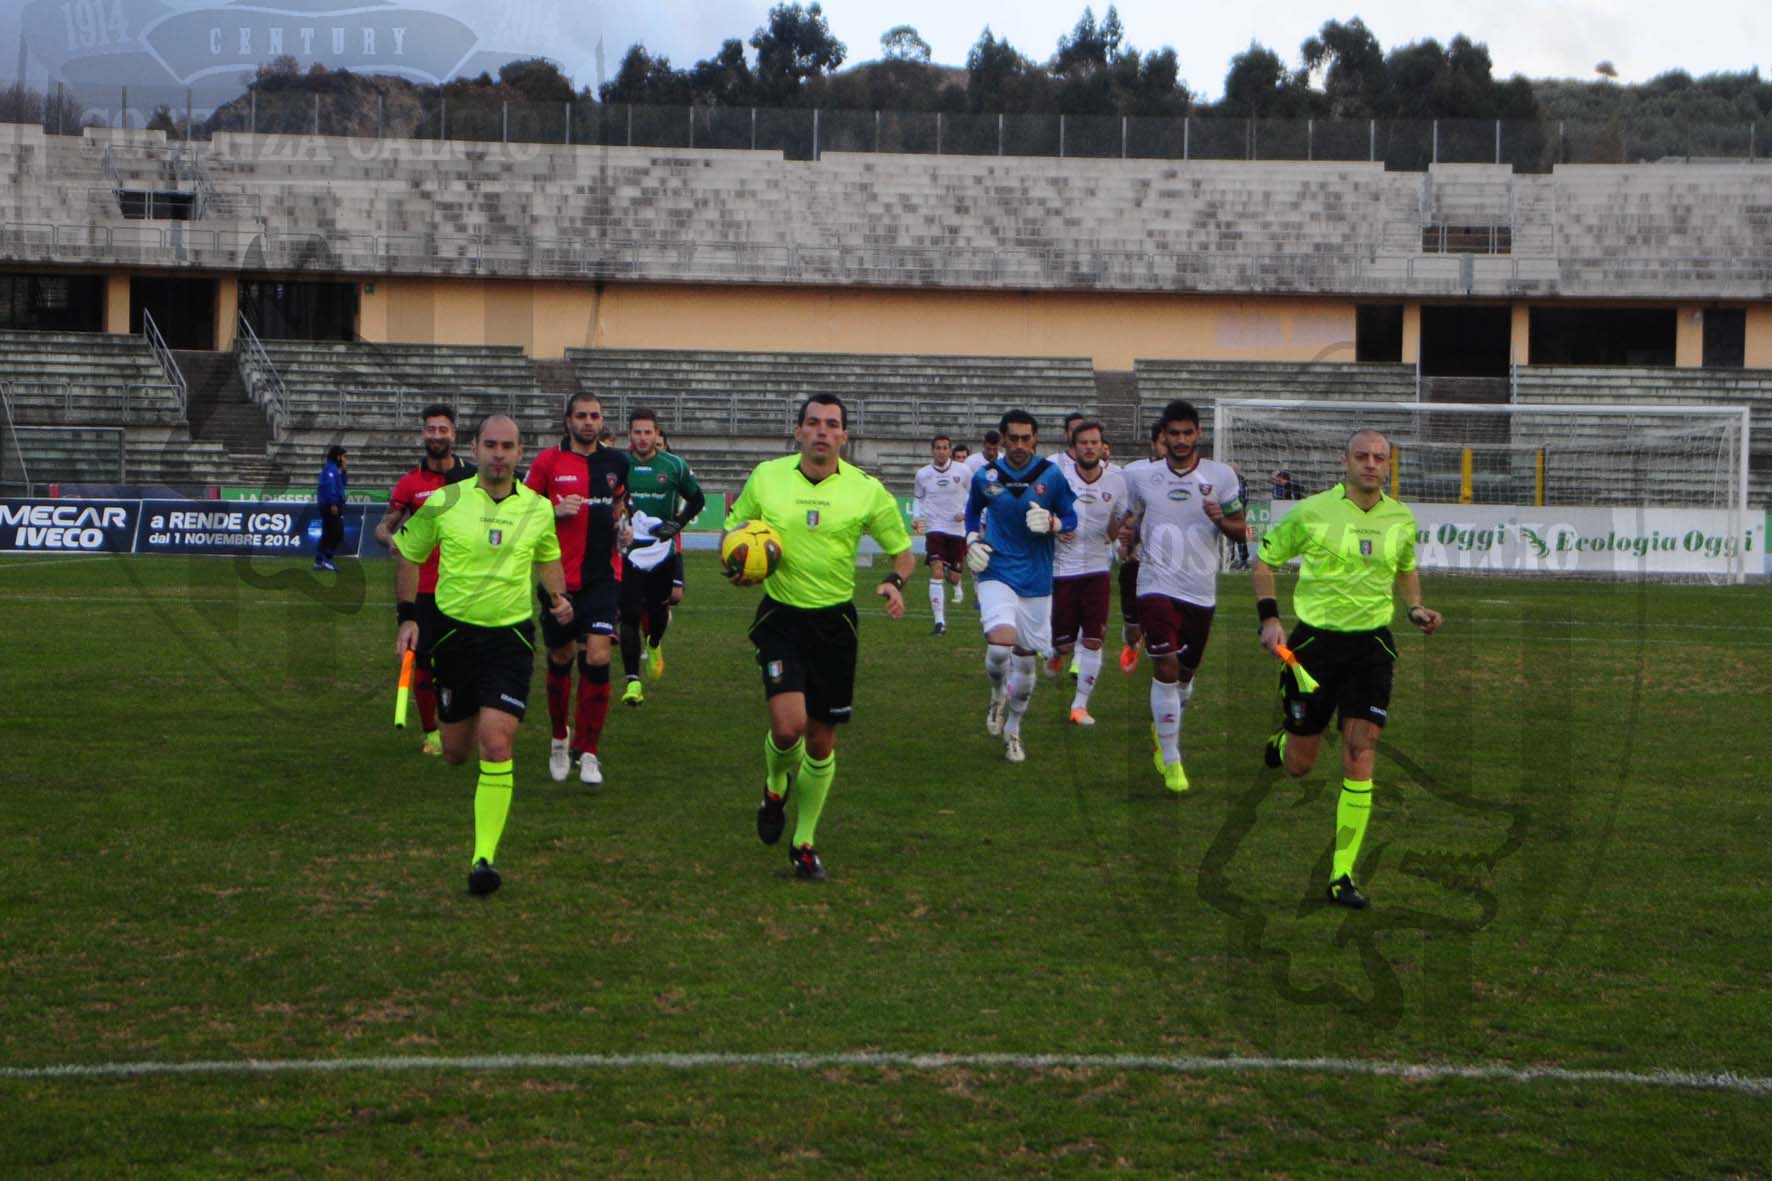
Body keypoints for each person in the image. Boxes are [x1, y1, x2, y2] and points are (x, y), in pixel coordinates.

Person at [726, 392, 914, 881]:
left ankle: (804, 844)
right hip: (782, 618)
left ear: (844, 436)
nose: (822, 431)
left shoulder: (866, 490)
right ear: (798, 432)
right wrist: (740, 567)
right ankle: (773, 785)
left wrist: (894, 583)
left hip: (835, 624)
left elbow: (902, 551)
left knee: (822, 742)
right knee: (788, 727)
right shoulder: (767, 477)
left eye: (832, 424)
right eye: (813, 423)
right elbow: (737, 530)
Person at [1254, 429, 1443, 909]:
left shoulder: (1400, 517)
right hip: (1315, 647)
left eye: (1380, 457)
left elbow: (1405, 566)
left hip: (1372, 648)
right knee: (1300, 766)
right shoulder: (1313, 511)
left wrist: (1415, 608)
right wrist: (1270, 617)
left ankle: (1342, 874)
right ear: (1345, 461)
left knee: (1361, 751)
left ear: (1389, 464)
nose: (1371, 464)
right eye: (1362, 456)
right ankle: (1284, 739)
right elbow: (1265, 560)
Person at [393, 415, 573, 897]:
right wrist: (407, 617)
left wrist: (557, 598)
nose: (498, 453)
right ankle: (459, 739)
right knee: (456, 752)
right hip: (453, 637)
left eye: (507, 446)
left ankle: (483, 858)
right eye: (490, 444)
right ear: (475, 448)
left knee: (497, 744)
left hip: (509, 638)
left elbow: (547, 555)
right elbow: (408, 553)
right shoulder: (445, 501)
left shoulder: (537, 507)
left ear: (520, 453)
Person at [1116, 400, 1247, 793]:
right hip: (1155, 583)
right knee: (1167, 668)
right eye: (1173, 434)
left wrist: (1220, 520)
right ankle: (1171, 761)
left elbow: (1242, 531)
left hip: (1200, 590)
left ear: (1198, 434)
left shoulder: (1221, 477)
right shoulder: (1141, 476)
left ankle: (1166, 725)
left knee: (1185, 676)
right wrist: (1126, 534)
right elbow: (1127, 520)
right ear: (1164, 437)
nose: (1181, 440)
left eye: (1187, 433)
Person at [524, 394, 630, 786]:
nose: (589, 422)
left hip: (603, 577)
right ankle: (558, 737)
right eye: (582, 416)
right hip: (557, 578)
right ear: (567, 420)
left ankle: (589, 752)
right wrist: (552, 510)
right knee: (561, 657)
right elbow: (520, 511)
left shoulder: (617, 463)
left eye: (595, 416)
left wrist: (625, 526)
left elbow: (621, 506)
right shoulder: (547, 462)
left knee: (599, 656)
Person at [964, 409, 1080, 763]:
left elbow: (1072, 518)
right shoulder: (986, 476)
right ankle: (997, 692)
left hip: (1036, 578)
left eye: (1025, 438)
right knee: (1000, 647)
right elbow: (972, 511)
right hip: (996, 569)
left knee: (1026, 666)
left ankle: (1014, 730)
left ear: (1035, 440)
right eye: (1011, 438)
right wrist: (971, 540)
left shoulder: (1051, 475)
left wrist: (1054, 520)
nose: (1018, 444)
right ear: (1001, 440)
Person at [374, 404, 476, 756]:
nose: (436, 435)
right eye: (430, 429)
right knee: (423, 663)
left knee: (464, 663)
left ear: (454, 433)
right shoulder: (411, 482)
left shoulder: (471, 477)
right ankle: (432, 732)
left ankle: (462, 721)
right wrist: (392, 541)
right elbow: (383, 527)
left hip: (465, 586)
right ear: (423, 434)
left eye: (442, 429)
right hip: (423, 589)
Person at [619, 409, 706, 705]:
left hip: (662, 554)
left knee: (658, 611)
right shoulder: (620, 464)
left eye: (648, 432)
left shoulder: (674, 466)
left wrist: (678, 523)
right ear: (629, 434)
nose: (643, 438)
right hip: (629, 553)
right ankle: (632, 682)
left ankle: (654, 643)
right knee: (628, 616)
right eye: (637, 432)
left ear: (657, 435)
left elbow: (698, 499)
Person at [1050, 420, 1126, 726]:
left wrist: (1118, 537)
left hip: (1097, 570)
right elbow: (1040, 511)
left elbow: (1118, 520)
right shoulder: (1058, 478)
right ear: (1075, 446)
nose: (1090, 447)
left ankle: (1079, 706)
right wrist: (1054, 527)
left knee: (1094, 639)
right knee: (1064, 644)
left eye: (1095, 442)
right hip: (1062, 570)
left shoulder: (1116, 481)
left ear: (1102, 445)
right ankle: (1057, 650)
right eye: (1084, 443)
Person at [1116, 420, 1166, 673]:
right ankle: (1131, 643)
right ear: (1154, 443)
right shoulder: (1135, 472)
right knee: (1133, 627)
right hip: (1137, 559)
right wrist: (1125, 538)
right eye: (1163, 442)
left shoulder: (1187, 477)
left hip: (1169, 563)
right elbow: (1126, 513)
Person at [910, 434, 970, 635]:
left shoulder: (963, 471)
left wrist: (966, 512)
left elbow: (973, 495)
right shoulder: (923, 474)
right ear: (932, 450)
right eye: (938, 448)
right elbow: (918, 498)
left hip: (957, 530)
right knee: (935, 569)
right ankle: (939, 622)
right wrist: (917, 517)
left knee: (953, 578)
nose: (941, 451)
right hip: (935, 527)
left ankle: (949, 571)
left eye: (945, 448)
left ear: (950, 450)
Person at [314, 445, 348, 571]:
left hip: (329, 505)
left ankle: (319, 560)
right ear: (338, 456)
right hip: (330, 506)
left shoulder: (334, 469)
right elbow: (330, 487)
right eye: (344, 456)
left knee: (328, 533)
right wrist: (333, 503)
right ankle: (326, 559)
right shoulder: (331, 470)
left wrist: (344, 471)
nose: (346, 460)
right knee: (337, 533)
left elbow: (341, 485)